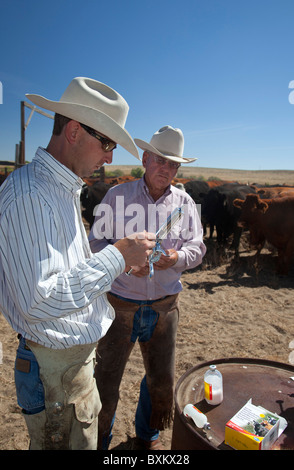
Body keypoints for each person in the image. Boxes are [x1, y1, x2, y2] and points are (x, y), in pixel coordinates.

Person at [0, 77, 156, 450]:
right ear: (73, 131)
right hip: (54, 370)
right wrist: (117, 255)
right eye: (107, 144)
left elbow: (65, 274)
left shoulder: (59, 189)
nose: (110, 158)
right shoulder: (31, 195)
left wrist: (117, 262)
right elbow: (39, 300)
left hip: (67, 367)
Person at [89, 125, 206, 450]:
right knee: (106, 380)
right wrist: (123, 260)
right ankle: (100, 441)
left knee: (161, 379)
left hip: (164, 306)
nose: (166, 169)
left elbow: (198, 247)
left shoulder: (185, 203)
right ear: (145, 158)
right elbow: (95, 241)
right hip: (119, 305)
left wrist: (176, 257)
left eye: (173, 165)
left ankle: (148, 436)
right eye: (160, 161)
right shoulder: (117, 196)